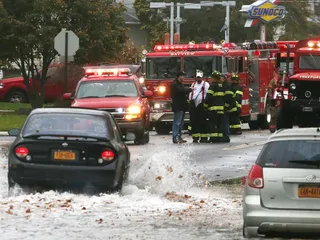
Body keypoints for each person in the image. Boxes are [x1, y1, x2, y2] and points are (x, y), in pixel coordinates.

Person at [171, 71, 193, 144]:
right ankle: (175, 137)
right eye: (182, 76)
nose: (183, 78)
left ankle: (179, 137)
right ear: (179, 76)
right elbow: (182, 91)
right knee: (177, 123)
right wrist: (190, 89)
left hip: (182, 106)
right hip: (178, 106)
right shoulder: (175, 84)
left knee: (181, 123)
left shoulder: (180, 84)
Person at [188, 70, 210, 143]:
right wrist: (190, 102)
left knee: (202, 122)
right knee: (194, 122)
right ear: (195, 78)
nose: (198, 79)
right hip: (194, 105)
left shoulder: (205, 84)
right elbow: (191, 94)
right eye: (197, 77)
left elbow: (208, 94)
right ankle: (195, 137)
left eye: (200, 78)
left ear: (202, 78)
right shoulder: (193, 84)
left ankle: (203, 138)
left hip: (202, 105)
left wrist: (205, 103)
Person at [204, 70, 225, 143]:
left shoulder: (212, 86)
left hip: (214, 109)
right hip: (221, 109)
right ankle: (220, 138)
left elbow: (209, 97)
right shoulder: (221, 86)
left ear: (214, 78)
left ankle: (214, 138)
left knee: (213, 124)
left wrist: (205, 105)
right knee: (220, 124)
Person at [222, 74, 234, 142]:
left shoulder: (226, 86)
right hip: (225, 107)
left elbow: (229, 97)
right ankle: (225, 135)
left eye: (221, 78)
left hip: (226, 107)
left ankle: (226, 136)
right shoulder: (226, 85)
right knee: (225, 121)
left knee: (225, 121)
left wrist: (226, 106)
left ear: (223, 79)